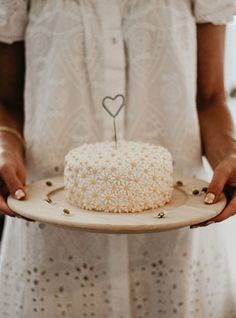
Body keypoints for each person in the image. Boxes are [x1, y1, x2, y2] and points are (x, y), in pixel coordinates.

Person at [0, 1, 236, 317]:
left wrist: (230, 154)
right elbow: (6, 100)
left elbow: (210, 98)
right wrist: (4, 145)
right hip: (52, 255)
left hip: (176, 253)